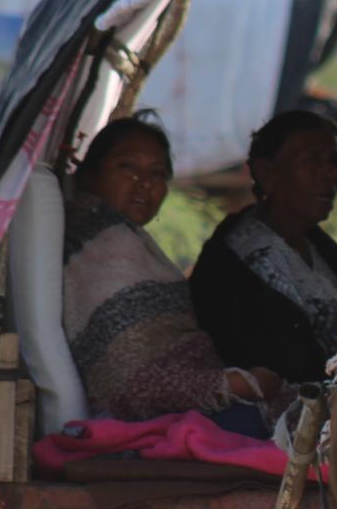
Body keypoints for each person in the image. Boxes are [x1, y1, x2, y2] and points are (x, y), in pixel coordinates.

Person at [62, 113, 284, 432]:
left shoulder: (120, 236)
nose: (145, 182)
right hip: (152, 422)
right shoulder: (104, 246)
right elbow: (129, 381)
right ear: (90, 175)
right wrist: (237, 384)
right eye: (127, 167)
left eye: (157, 172)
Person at [190, 109, 337, 386]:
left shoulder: (313, 242)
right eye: (312, 161)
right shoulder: (241, 258)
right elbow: (286, 366)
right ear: (266, 173)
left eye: (334, 161)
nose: (330, 173)